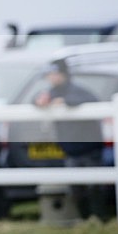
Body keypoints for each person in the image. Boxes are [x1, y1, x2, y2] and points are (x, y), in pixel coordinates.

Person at [34, 59, 109, 220]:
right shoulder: (52, 92)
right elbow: (36, 99)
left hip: (89, 149)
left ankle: (101, 219)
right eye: (50, 74)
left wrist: (66, 102)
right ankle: (85, 220)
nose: (52, 78)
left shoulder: (77, 91)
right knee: (76, 189)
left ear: (64, 74)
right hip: (71, 150)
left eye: (55, 74)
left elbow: (91, 101)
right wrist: (39, 101)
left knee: (95, 187)